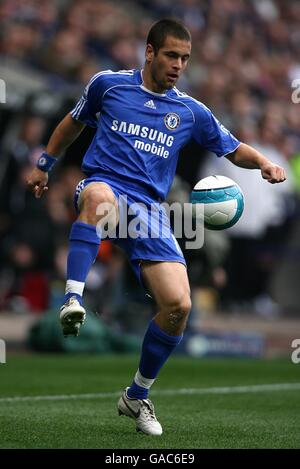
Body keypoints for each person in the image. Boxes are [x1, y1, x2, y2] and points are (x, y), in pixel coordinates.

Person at [27, 19, 286, 436]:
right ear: (149, 52)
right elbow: (72, 123)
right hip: (104, 185)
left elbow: (233, 147)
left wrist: (266, 165)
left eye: (185, 58)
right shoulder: (107, 86)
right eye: (171, 55)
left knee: (179, 306)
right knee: (97, 198)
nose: (178, 65)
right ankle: (72, 299)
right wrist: (45, 164)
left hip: (149, 211)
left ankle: (137, 395)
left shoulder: (190, 111)